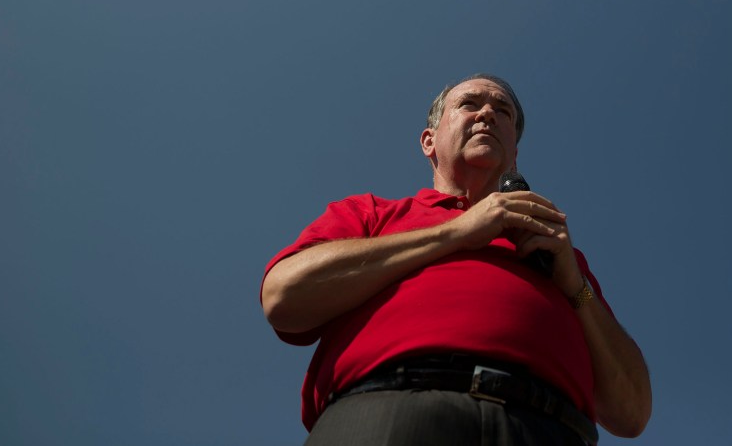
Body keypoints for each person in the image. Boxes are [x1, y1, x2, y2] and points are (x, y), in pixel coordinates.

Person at [261, 74, 651, 445]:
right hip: (386, 416)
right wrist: (458, 231)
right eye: (469, 104)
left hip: (550, 428)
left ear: (514, 156)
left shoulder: (554, 246)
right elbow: (285, 295)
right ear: (429, 141)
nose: (487, 114)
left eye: (503, 111)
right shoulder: (372, 212)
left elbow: (632, 412)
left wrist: (576, 288)